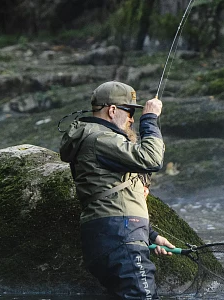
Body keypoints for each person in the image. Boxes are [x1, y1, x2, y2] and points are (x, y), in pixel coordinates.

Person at [60, 81, 176, 299]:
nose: (132, 119)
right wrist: (150, 119)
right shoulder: (101, 138)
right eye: (130, 111)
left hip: (117, 232)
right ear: (112, 110)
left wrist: (151, 235)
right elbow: (151, 159)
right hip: (120, 234)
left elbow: (113, 194)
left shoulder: (98, 139)